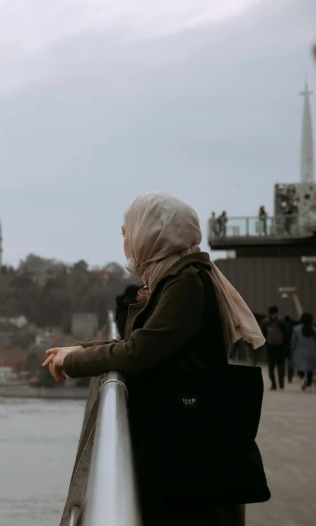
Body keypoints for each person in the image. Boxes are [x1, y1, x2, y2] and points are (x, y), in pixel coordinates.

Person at [43, 192, 264, 526]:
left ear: (153, 233)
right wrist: (80, 349)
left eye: (126, 232)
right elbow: (138, 342)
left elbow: (139, 351)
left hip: (190, 443)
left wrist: (73, 362)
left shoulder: (184, 283)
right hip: (184, 438)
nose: (125, 242)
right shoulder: (176, 277)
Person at [261, 306, 289, 390]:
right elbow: (287, 335)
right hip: (280, 347)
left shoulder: (265, 322)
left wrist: (266, 344)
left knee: (271, 367)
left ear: (269, 312)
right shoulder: (282, 321)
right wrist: (284, 345)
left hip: (270, 348)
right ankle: (281, 383)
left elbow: (262, 335)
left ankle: (273, 384)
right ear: (277, 311)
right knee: (281, 365)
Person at [290, 312, 316, 392]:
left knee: (300, 367)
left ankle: (302, 378)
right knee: (310, 370)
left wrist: (292, 350)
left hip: (300, 353)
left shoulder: (296, 329)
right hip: (312, 353)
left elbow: (293, 342)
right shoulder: (314, 329)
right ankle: (308, 386)